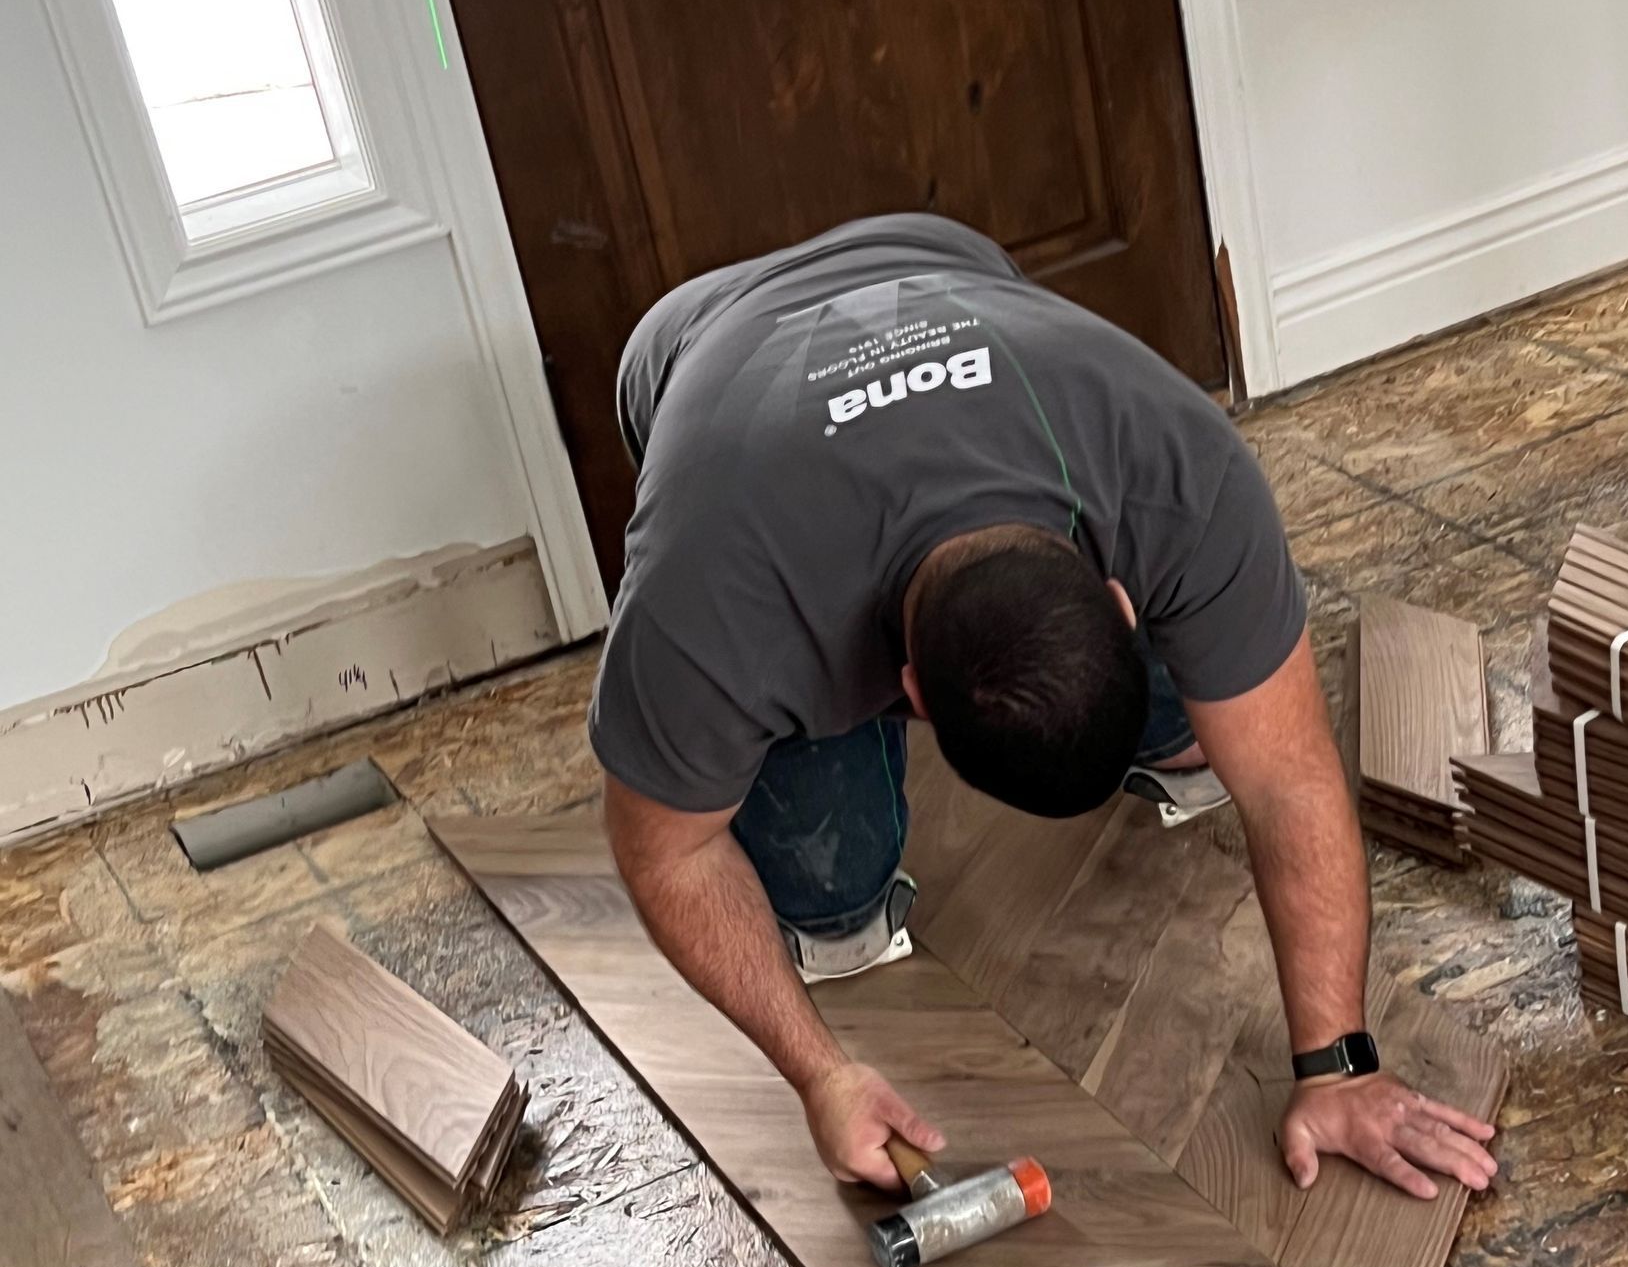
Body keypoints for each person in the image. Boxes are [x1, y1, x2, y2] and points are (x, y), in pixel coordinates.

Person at [590, 214, 1497, 1205]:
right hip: (701, 343)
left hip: (940, 260)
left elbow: (1287, 781)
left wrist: (1341, 1065)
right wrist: (821, 1075)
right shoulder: (707, 602)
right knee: (829, 905)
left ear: (1120, 599)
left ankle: (1159, 715)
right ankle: (838, 807)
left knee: (1212, 726)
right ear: (909, 697)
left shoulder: (1174, 463)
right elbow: (668, 852)